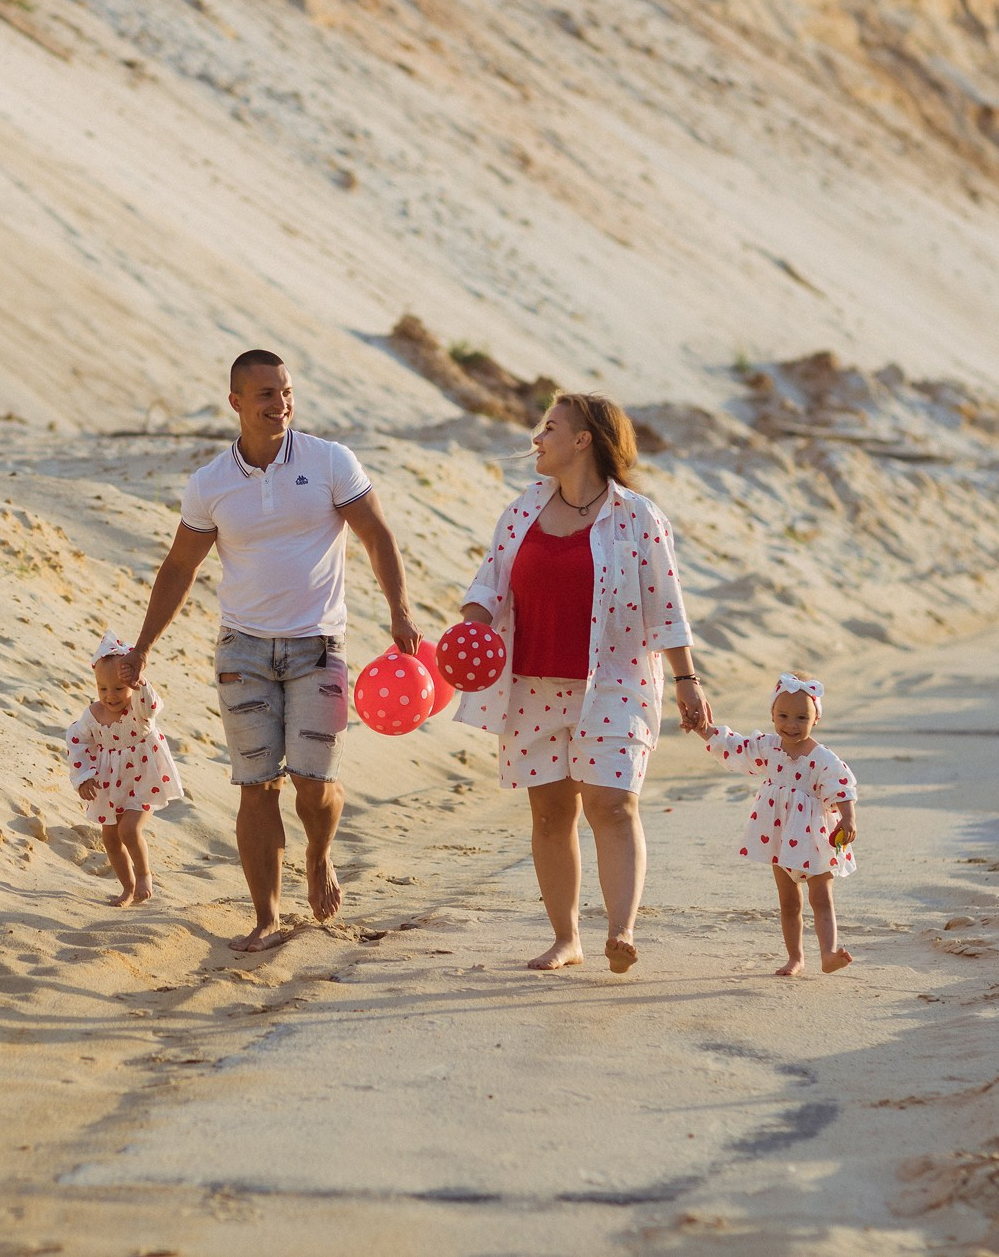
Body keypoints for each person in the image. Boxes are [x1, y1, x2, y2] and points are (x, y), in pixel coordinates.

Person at [120, 350, 419, 952]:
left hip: (319, 646)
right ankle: (266, 917)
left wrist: (400, 611)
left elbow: (376, 534)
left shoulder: (330, 461)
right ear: (235, 402)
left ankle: (318, 854)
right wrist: (143, 645)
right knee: (256, 786)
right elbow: (180, 565)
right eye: (264, 394)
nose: (279, 403)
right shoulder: (211, 483)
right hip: (243, 650)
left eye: (284, 392)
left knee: (314, 782)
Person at [453, 393, 710, 973]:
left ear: (583, 439)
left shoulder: (638, 517)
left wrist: (687, 679)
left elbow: (666, 605)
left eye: (549, 428)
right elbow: (490, 583)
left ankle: (621, 931)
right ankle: (566, 938)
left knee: (612, 804)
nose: (536, 440)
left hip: (614, 682)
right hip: (531, 685)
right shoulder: (521, 510)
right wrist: (467, 635)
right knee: (549, 814)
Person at [700, 673, 859, 976]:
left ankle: (828, 953)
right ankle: (795, 958)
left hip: (815, 835)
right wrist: (704, 730)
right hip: (780, 834)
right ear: (772, 715)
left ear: (816, 719)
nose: (791, 724)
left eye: (802, 717)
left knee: (821, 896)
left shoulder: (823, 758)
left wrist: (848, 817)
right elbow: (737, 747)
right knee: (789, 902)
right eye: (783, 715)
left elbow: (841, 787)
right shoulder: (769, 747)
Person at [66, 632, 183, 907]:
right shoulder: (93, 714)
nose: (110, 696)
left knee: (129, 829)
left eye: (119, 689)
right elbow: (76, 740)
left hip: (144, 778)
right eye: (102, 689)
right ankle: (127, 888)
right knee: (110, 836)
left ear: (131, 685)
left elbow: (153, 705)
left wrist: (141, 683)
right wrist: (84, 777)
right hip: (109, 782)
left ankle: (144, 876)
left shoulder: (139, 709)